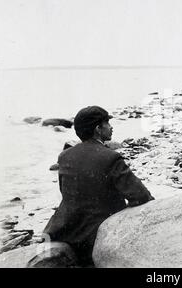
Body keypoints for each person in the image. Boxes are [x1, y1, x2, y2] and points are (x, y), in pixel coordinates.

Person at [43, 106, 154, 266]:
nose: (111, 126)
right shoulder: (111, 157)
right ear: (98, 129)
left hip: (66, 232)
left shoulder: (64, 156)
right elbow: (140, 195)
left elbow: (65, 193)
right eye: (107, 123)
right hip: (97, 236)